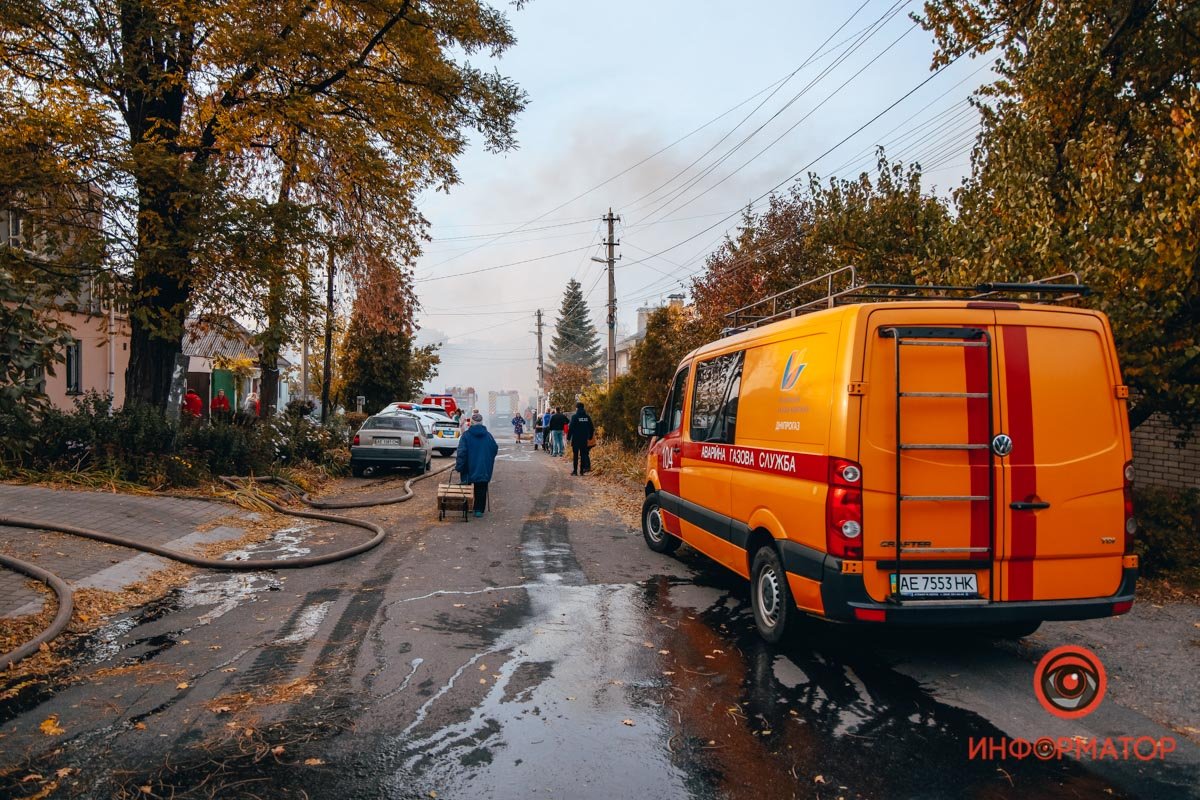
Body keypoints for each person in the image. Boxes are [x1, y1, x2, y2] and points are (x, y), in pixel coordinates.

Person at [456, 412, 498, 517]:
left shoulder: (466, 436)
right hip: (483, 467)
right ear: (482, 422)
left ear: (471, 423)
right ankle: (478, 510)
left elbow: (461, 452)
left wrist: (459, 466)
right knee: (481, 487)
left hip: (467, 467)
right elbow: (494, 449)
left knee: (466, 487)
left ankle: (467, 507)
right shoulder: (488, 436)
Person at [568, 402, 595, 475]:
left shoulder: (574, 417)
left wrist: (568, 437)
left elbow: (571, 428)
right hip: (584, 439)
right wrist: (590, 436)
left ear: (577, 408)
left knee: (575, 455)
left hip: (576, 439)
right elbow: (592, 428)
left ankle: (575, 471)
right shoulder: (587, 417)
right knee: (583, 455)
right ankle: (582, 471)